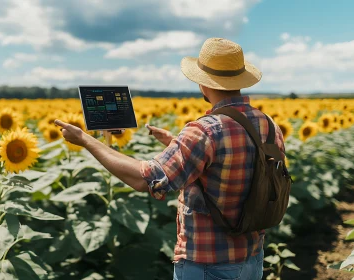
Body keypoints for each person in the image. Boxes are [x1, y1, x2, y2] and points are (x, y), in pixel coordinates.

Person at [55, 38, 286, 280]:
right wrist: (175, 143)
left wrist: (85, 140)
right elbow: (238, 164)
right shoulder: (269, 125)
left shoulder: (205, 131)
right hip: (252, 259)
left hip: (209, 265)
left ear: (201, 82)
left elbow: (146, 179)